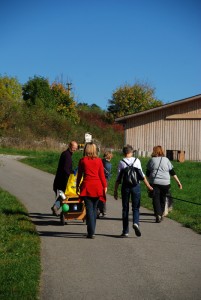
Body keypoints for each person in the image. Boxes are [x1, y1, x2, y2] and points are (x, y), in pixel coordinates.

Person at [114, 144, 153, 237]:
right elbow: (142, 175)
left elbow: (118, 178)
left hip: (125, 187)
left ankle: (125, 231)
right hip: (136, 186)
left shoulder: (121, 162)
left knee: (125, 208)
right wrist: (148, 186)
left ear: (124, 152)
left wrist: (115, 190)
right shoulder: (137, 161)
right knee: (136, 207)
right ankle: (135, 223)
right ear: (131, 152)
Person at [76, 142, 107, 239]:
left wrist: (77, 185)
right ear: (94, 150)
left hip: (87, 186)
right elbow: (102, 175)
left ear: (86, 149)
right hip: (98, 187)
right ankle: (92, 230)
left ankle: (91, 231)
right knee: (94, 209)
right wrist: (105, 186)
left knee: (89, 209)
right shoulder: (99, 161)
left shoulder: (83, 160)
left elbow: (79, 175)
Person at [146, 145, 182, 223]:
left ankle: (158, 214)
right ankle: (161, 214)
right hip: (166, 183)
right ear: (161, 151)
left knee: (155, 198)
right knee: (163, 198)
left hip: (154, 183)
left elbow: (147, 173)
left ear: (154, 151)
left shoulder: (151, 160)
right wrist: (178, 182)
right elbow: (172, 172)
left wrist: (149, 183)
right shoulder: (166, 160)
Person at [51, 141, 78, 216]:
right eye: (74, 147)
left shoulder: (66, 154)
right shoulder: (67, 155)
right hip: (63, 179)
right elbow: (66, 169)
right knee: (64, 195)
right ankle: (56, 207)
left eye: (76, 148)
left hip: (60, 178)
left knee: (63, 195)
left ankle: (55, 207)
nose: (75, 149)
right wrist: (70, 175)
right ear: (70, 146)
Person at [97, 150, 113, 218]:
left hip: (99, 179)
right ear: (109, 157)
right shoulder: (108, 164)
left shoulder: (101, 161)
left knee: (98, 195)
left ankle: (98, 210)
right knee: (103, 195)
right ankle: (103, 211)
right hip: (104, 180)